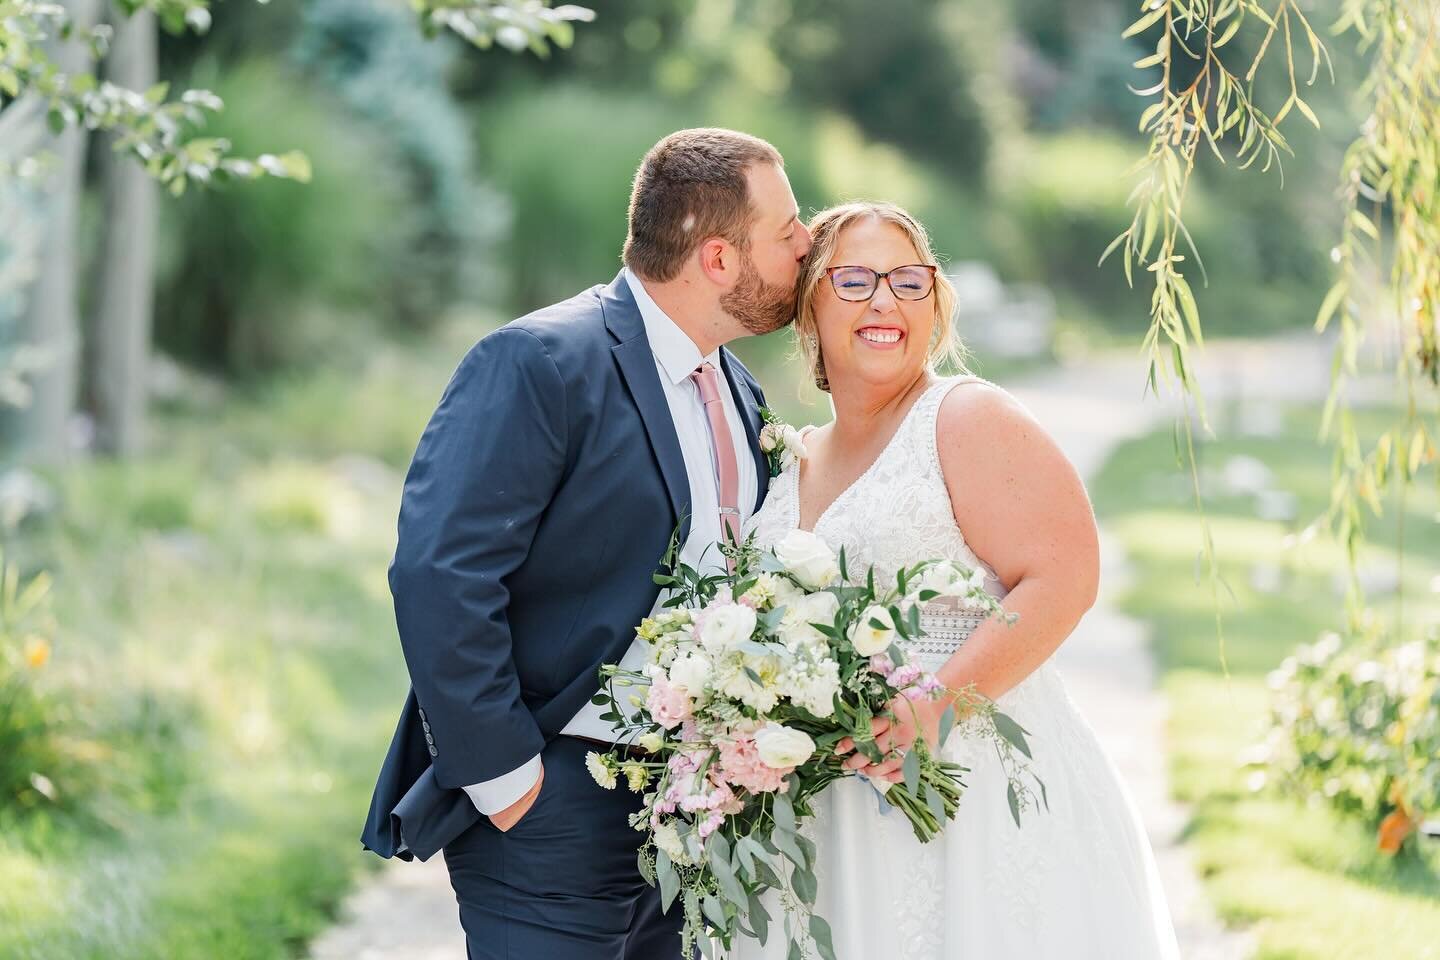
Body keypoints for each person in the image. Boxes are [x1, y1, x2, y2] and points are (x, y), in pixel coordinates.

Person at [360, 127, 812, 959]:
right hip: (549, 806)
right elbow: (441, 573)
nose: (807, 246)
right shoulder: (540, 361)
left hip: (689, 815)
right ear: (718, 258)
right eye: (788, 233)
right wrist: (508, 781)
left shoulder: (738, 389)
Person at [735, 200, 1181, 959]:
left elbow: (1064, 576)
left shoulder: (967, 417)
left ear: (934, 303)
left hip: (963, 797)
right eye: (855, 280)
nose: (885, 300)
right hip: (824, 818)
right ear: (809, 307)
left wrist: (935, 706)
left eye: (909, 281)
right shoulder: (790, 456)